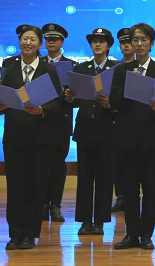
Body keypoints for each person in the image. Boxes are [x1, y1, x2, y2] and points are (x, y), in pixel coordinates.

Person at [0, 25, 64, 250]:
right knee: (15, 186)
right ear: (19, 42)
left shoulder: (48, 69)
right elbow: (4, 95)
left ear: (39, 44)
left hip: (40, 137)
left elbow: (58, 102)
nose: (28, 43)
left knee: (36, 186)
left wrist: (43, 110)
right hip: (14, 136)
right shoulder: (9, 67)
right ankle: (14, 234)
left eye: (32, 39)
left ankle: (30, 234)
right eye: (24, 39)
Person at [109, 23, 155, 250]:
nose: (139, 44)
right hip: (127, 137)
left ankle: (146, 235)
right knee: (129, 189)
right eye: (135, 40)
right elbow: (113, 102)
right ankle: (131, 234)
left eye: (144, 40)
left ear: (151, 43)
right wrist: (129, 85)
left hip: (151, 138)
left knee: (150, 188)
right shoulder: (121, 71)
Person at [64, 28, 118, 235]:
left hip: (108, 130)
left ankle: (100, 221)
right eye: (94, 41)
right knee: (85, 178)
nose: (97, 45)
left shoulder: (116, 69)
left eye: (101, 42)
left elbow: (122, 101)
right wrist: (70, 98)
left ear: (108, 45)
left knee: (105, 177)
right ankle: (85, 220)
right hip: (86, 129)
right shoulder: (81, 69)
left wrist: (109, 103)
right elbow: (76, 100)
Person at [41, 22, 74, 222]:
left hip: (61, 121)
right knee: (41, 165)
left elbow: (77, 97)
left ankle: (55, 205)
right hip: (40, 119)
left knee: (58, 165)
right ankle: (42, 204)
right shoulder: (37, 63)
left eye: (55, 39)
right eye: (48, 39)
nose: (51, 42)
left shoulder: (72, 65)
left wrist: (70, 95)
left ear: (62, 42)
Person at [112, 27, 134, 212]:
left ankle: (133, 196)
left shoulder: (142, 66)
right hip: (117, 119)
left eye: (129, 42)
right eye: (123, 43)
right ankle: (120, 196)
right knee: (118, 161)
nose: (126, 46)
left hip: (139, 120)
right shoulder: (114, 68)